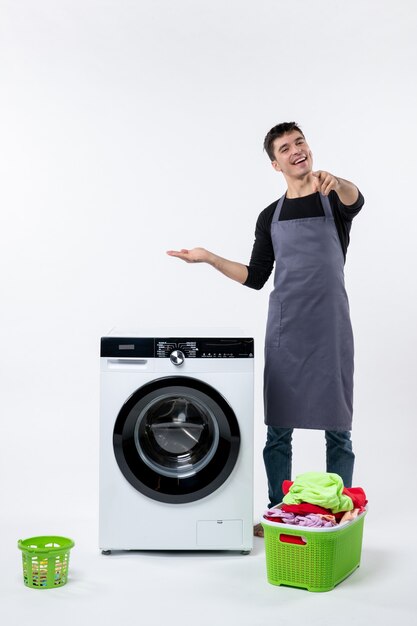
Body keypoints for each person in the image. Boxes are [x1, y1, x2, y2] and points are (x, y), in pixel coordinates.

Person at [167, 122, 364, 537]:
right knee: (278, 431)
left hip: (330, 329)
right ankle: (278, 512)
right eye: (285, 148)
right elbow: (256, 276)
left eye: (300, 142)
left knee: (339, 430)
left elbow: (356, 198)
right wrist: (209, 258)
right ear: (276, 164)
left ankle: (340, 514)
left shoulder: (333, 196)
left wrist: (339, 179)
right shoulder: (269, 217)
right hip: (286, 331)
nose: (297, 151)